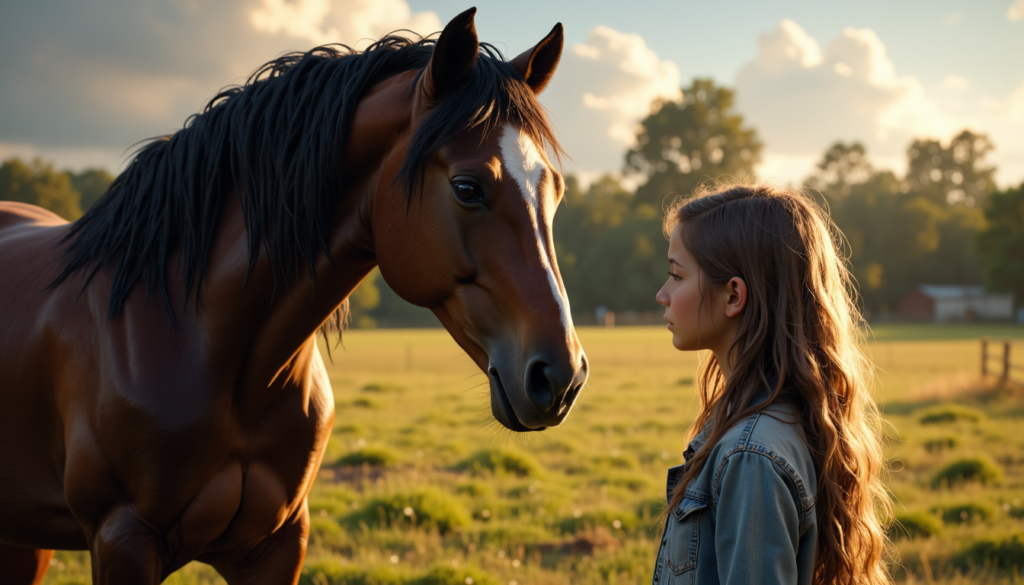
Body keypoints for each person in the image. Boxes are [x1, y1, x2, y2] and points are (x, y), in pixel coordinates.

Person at [651, 184, 890, 585]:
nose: (662, 294)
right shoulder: (785, 421)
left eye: (677, 275)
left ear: (733, 296)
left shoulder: (751, 456)